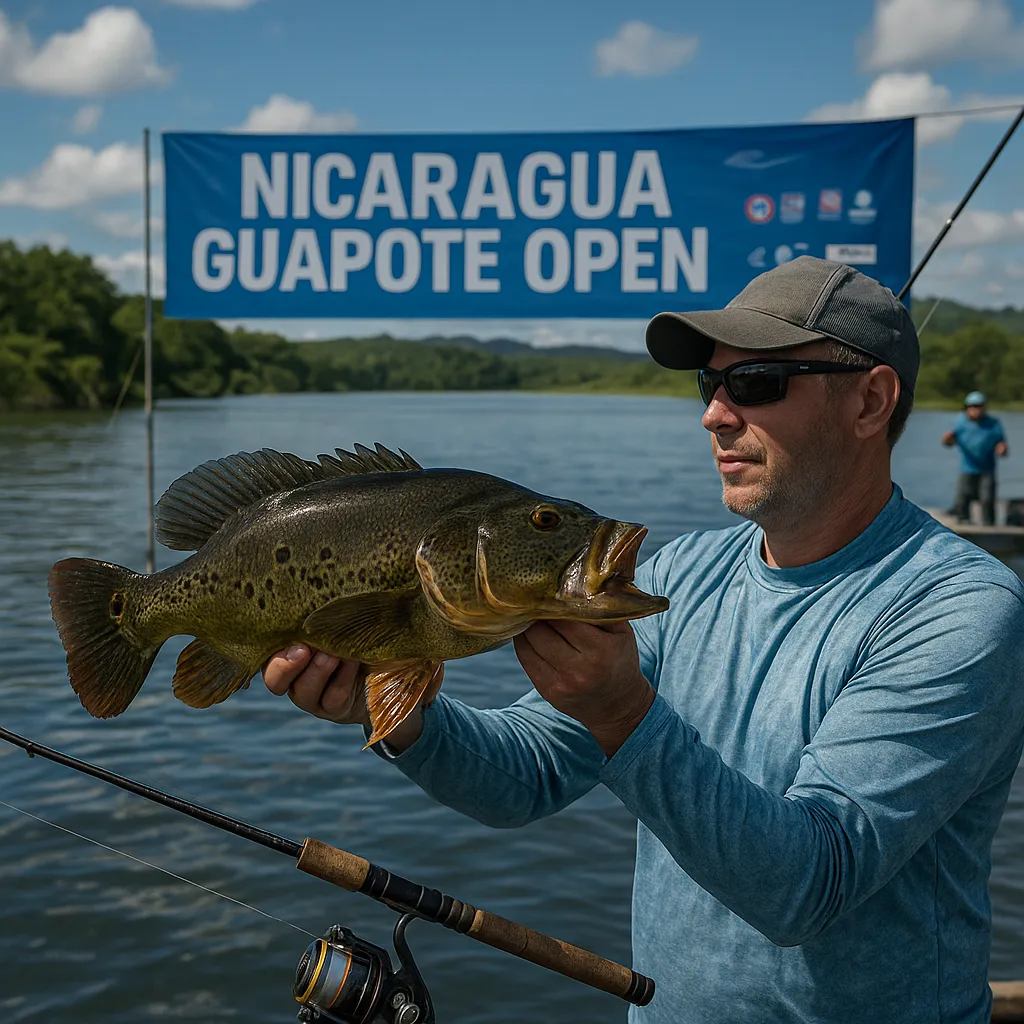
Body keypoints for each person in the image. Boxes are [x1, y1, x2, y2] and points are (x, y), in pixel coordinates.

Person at [262, 256, 1024, 1024]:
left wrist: (625, 716)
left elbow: (808, 884)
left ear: (871, 401)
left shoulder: (958, 610)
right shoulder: (684, 574)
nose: (716, 415)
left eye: (755, 383)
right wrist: (395, 711)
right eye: (710, 384)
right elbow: (522, 776)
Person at [942, 391, 1009, 525]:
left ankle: (989, 525)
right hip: (967, 467)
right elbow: (948, 442)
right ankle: (963, 522)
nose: (976, 410)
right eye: (972, 406)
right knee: (963, 497)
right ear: (967, 408)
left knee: (987, 498)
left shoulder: (993, 424)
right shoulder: (960, 422)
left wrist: (1002, 449)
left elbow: (1002, 444)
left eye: (979, 406)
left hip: (987, 468)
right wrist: (947, 439)